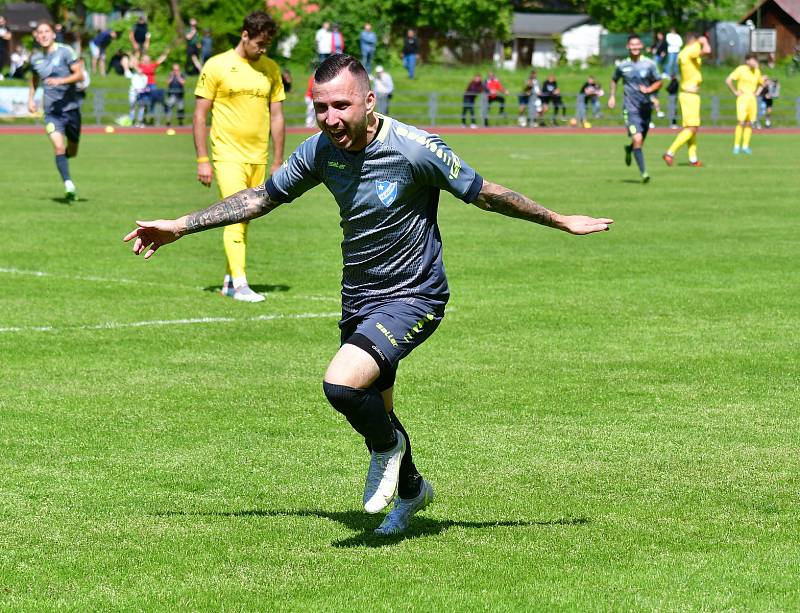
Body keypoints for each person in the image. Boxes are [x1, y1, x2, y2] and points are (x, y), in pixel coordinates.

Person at [124, 54, 613, 536]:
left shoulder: (415, 148)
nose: (330, 118)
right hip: (359, 295)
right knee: (378, 409)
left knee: (341, 385)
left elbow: (484, 192)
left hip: (414, 296)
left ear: (369, 100)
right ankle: (412, 493)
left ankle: (387, 450)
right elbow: (261, 197)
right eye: (320, 107)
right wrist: (181, 227)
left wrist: (558, 219)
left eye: (341, 105)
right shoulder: (320, 151)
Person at [193, 11, 286, 303]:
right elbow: (199, 114)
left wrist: (278, 160)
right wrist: (202, 160)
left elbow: (278, 116)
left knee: (244, 219)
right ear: (245, 35)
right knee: (234, 217)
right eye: (259, 42)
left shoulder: (271, 69)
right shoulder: (217, 65)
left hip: (259, 156)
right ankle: (242, 285)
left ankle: (229, 281)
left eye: (267, 44)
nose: (263, 49)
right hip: (226, 155)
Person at [28, 21, 84, 201]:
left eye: (46, 31)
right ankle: (68, 183)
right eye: (40, 32)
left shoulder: (65, 51)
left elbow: (79, 74)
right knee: (58, 146)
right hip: (52, 112)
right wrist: (31, 99)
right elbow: (35, 79)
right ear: (37, 37)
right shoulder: (35, 58)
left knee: (72, 151)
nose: (43, 35)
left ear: (53, 34)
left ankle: (63, 160)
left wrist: (60, 81)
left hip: (71, 109)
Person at [608, 35, 661, 183]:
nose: (635, 47)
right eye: (632, 45)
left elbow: (659, 82)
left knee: (640, 141)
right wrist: (612, 96)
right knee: (637, 138)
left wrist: (650, 89)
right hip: (630, 109)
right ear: (628, 47)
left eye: (637, 45)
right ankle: (644, 173)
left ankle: (629, 149)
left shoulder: (649, 64)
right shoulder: (622, 66)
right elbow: (614, 80)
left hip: (646, 108)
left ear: (641, 46)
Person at [663, 32, 711, 168]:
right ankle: (670, 153)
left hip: (686, 93)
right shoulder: (692, 48)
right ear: (693, 41)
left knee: (692, 128)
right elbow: (707, 50)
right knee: (692, 128)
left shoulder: (683, 52)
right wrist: (703, 41)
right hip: (690, 94)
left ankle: (693, 159)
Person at [725, 53, 765, 155]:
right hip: (742, 99)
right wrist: (735, 91)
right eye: (752, 60)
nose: (754, 62)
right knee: (741, 122)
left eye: (755, 60)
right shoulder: (741, 69)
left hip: (752, 99)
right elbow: (728, 80)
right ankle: (736, 146)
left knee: (749, 123)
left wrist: (757, 93)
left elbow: (762, 83)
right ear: (747, 61)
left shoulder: (757, 71)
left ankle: (745, 146)